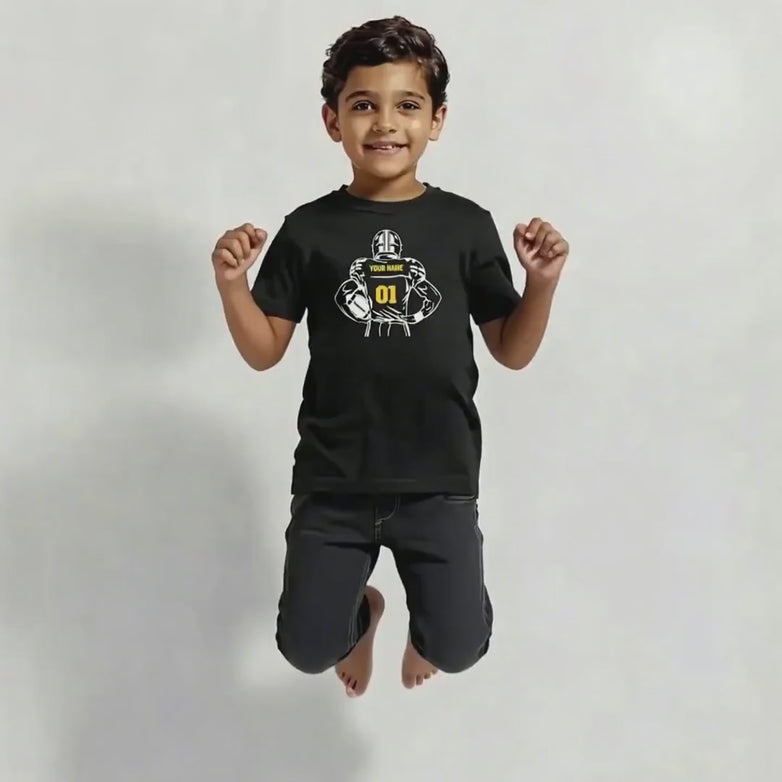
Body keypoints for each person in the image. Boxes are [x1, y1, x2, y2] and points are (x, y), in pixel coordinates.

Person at [211, 16, 570, 696]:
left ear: (436, 120)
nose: (385, 123)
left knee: (462, 647)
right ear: (331, 120)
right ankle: (363, 614)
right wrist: (232, 285)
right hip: (335, 479)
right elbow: (265, 351)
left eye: (407, 105)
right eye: (363, 105)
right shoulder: (308, 230)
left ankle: (431, 628)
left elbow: (511, 350)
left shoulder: (465, 225)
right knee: (307, 649)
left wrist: (541, 284)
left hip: (437, 478)